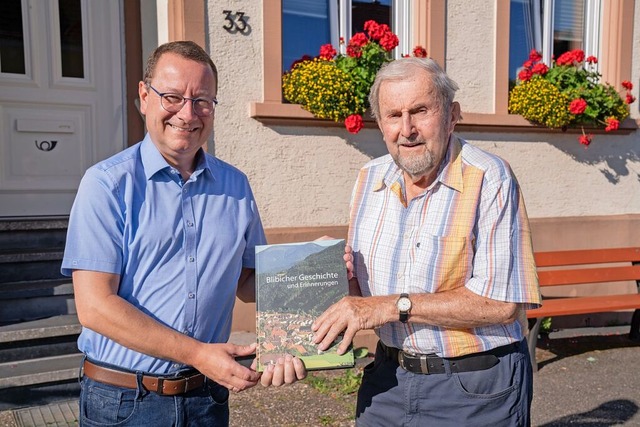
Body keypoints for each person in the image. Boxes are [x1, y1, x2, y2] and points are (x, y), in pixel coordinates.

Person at [61, 41, 306, 426]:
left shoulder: (235, 185)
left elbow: (248, 279)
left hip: (206, 398)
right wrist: (196, 353)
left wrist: (317, 274)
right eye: (172, 97)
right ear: (144, 96)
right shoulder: (107, 185)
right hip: (125, 402)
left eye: (202, 101)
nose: (187, 114)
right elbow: (95, 307)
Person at [312, 57, 542, 427]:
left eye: (420, 111)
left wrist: (391, 306)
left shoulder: (489, 178)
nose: (407, 129)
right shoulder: (369, 179)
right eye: (393, 115)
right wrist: (329, 276)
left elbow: (501, 303)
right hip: (388, 379)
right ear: (380, 123)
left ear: (452, 115)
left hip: (473, 390)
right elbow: (362, 297)